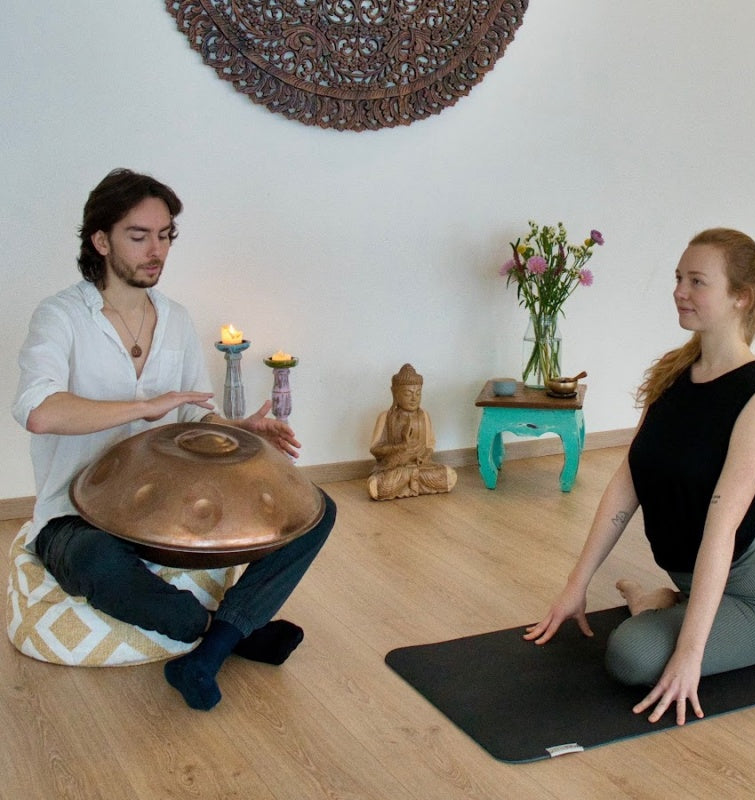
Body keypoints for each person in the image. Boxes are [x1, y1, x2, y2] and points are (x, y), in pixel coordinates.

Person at [12, 168, 336, 711]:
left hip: (161, 514)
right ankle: (227, 634)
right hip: (74, 516)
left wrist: (236, 431)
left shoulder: (178, 320)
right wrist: (143, 408)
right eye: (138, 236)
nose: (155, 250)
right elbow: (40, 413)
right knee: (94, 563)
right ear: (101, 240)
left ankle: (206, 655)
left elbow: (189, 422)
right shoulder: (61, 317)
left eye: (165, 236)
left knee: (315, 510)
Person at [524, 228, 755, 726]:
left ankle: (669, 602)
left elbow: (720, 531)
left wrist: (691, 655)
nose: (679, 291)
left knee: (631, 657)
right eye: (678, 278)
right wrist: (575, 584)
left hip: (751, 594)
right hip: (737, 551)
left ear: (742, 297)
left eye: (697, 281)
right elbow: (627, 484)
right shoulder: (675, 373)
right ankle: (678, 596)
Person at [367, 363, 457, 500]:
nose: (414, 398)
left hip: (420, 468)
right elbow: (375, 449)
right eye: (408, 394)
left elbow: (430, 445)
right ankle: (407, 480)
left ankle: (411, 481)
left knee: (449, 475)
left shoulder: (424, 415)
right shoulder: (386, 417)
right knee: (381, 485)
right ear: (395, 394)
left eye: (418, 393)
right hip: (396, 468)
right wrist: (401, 446)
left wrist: (425, 456)